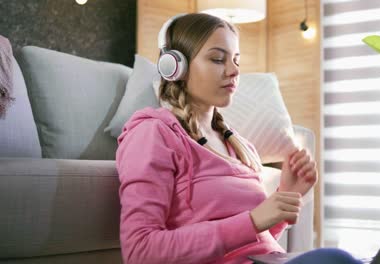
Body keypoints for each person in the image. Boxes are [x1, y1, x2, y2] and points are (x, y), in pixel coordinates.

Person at [115, 12, 326, 264]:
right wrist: (253, 220)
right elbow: (140, 251)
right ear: (175, 66)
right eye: (218, 59)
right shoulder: (153, 134)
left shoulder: (240, 146)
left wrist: (287, 195)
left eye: (236, 60)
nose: (234, 70)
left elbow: (253, 240)